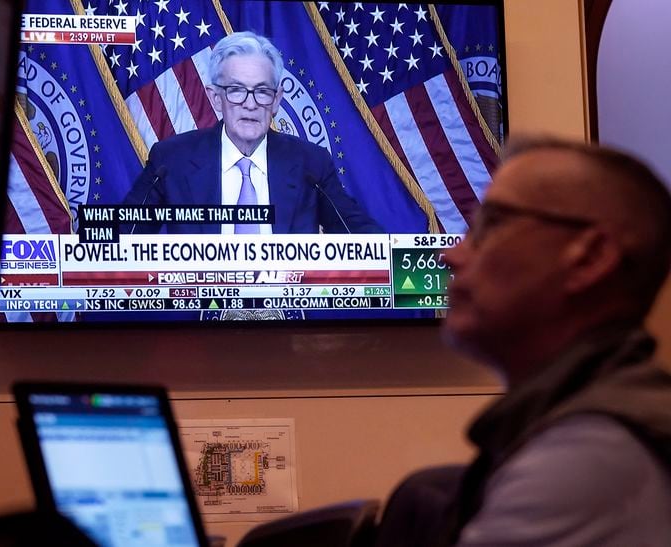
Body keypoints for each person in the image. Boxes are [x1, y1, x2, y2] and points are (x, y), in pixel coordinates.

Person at [434, 135, 671, 546]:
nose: (451, 255)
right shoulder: (590, 417)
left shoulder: (592, 455)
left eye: (490, 225)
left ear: (590, 257)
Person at [122, 31, 382, 234]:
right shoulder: (172, 160)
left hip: (287, 303)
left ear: (277, 99)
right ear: (215, 98)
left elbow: (356, 232)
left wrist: (405, 255)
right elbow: (124, 233)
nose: (250, 103)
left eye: (262, 91)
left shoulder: (311, 164)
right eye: (236, 90)